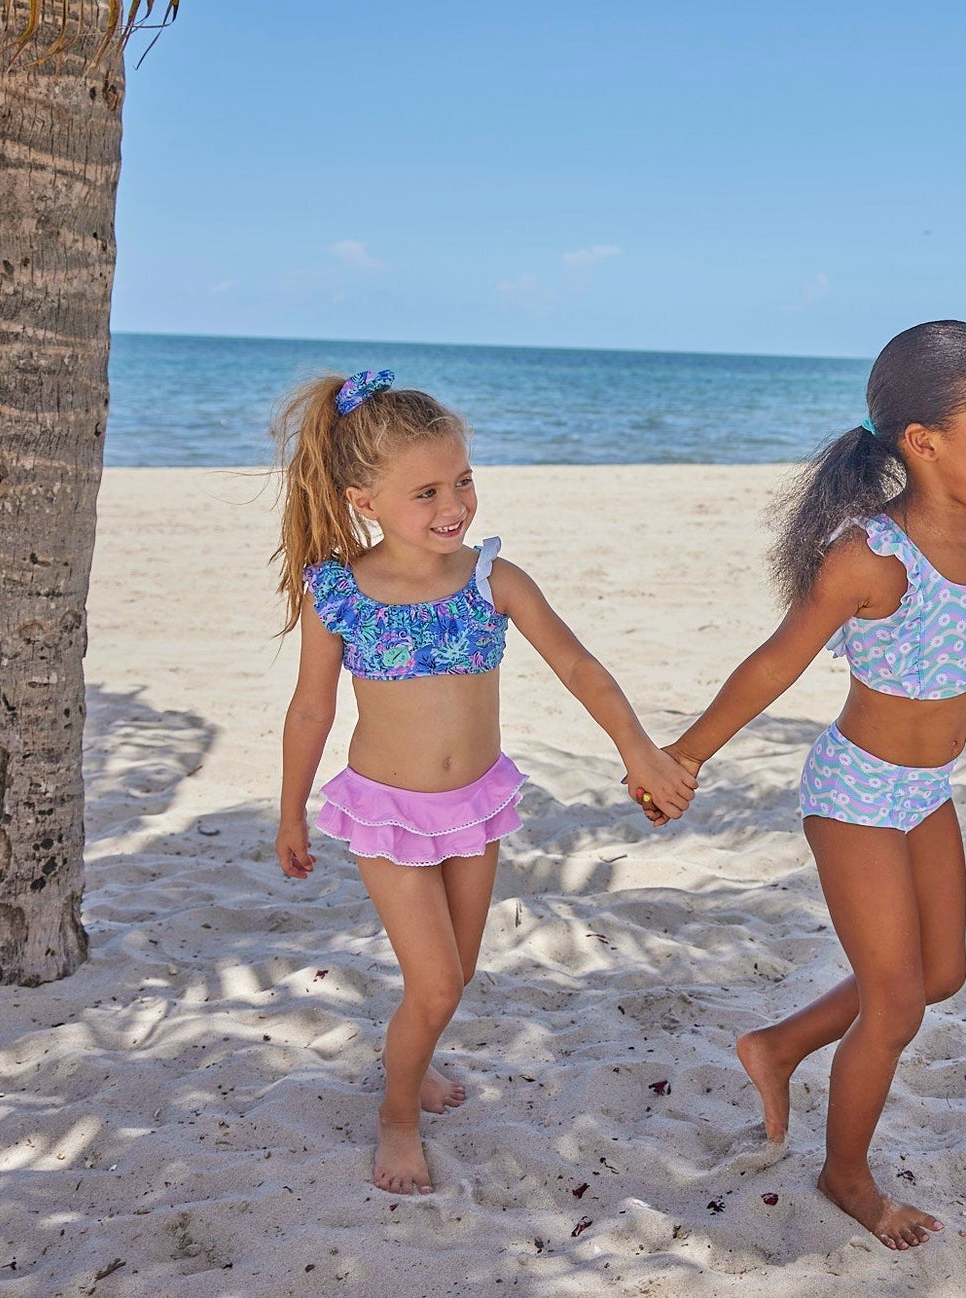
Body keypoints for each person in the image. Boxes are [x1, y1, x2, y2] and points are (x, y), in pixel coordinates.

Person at [639, 321, 966, 1250]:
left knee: (939, 975)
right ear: (924, 442)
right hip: (856, 795)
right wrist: (685, 756)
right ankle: (847, 1174)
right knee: (895, 1002)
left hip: (929, 791)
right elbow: (775, 663)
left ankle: (778, 1045)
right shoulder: (871, 556)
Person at [272, 369, 695, 1196]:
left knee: (454, 977)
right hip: (387, 813)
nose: (453, 504)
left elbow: (579, 666)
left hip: (475, 806)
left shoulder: (492, 580)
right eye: (425, 491)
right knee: (432, 984)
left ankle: (419, 1060)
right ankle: (398, 1113)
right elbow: (309, 712)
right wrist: (291, 811)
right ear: (365, 500)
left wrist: (637, 749)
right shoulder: (342, 593)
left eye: (461, 480)